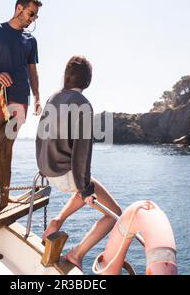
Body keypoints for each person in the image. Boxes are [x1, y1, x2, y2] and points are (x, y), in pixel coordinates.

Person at [36, 55, 122, 270]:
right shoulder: (82, 104)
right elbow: (81, 154)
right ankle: (77, 254)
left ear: (66, 77)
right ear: (87, 81)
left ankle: (58, 220)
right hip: (65, 174)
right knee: (115, 215)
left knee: (85, 183)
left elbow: (40, 137)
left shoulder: (53, 98)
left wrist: (43, 167)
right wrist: (85, 190)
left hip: (48, 169)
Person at [0, 0, 42, 178]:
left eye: (35, 16)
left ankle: (3, 192)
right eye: (31, 14)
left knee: (7, 145)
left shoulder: (31, 40)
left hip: (20, 99)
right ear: (19, 8)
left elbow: (32, 71)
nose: (32, 19)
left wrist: (37, 97)